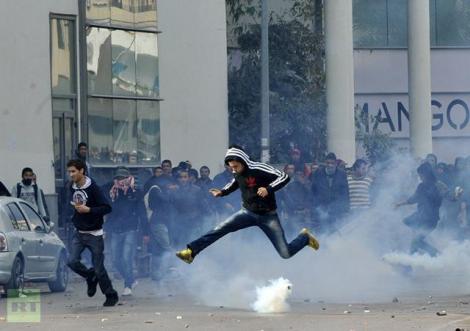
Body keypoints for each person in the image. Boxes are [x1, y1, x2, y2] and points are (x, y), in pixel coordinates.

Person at [175, 145, 319, 264]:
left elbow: (284, 177)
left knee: (285, 253)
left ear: (242, 161)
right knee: (219, 229)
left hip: (268, 216)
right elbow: (234, 182)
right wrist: (222, 192)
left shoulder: (259, 168)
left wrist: (268, 189)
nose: (233, 170)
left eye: (235, 166)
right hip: (247, 213)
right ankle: (191, 252)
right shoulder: (237, 171)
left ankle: (305, 238)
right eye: (231, 167)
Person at [66, 159, 119, 307]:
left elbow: (107, 207)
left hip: (95, 233)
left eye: (73, 171)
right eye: (69, 172)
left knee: (99, 268)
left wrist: (89, 210)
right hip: (79, 232)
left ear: (82, 171)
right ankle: (90, 276)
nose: (71, 175)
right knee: (72, 261)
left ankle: (111, 295)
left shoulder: (94, 188)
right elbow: (71, 204)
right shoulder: (71, 186)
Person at [107, 167, 149, 296]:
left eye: (123, 178)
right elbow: (109, 213)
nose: (121, 181)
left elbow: (142, 213)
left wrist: (146, 232)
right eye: (118, 178)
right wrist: (105, 228)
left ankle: (128, 285)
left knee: (126, 258)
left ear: (129, 178)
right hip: (115, 229)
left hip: (130, 229)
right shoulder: (113, 192)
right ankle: (130, 279)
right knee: (115, 259)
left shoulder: (136, 192)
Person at [395, 162, 442, 257]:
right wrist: (400, 204)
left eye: (421, 175)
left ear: (426, 174)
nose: (420, 177)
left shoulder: (438, 186)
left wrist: (455, 196)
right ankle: (413, 260)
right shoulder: (421, 186)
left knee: (416, 240)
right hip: (420, 217)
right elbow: (414, 199)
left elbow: (449, 195)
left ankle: (436, 254)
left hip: (430, 219)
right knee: (415, 240)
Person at [310, 153, 350, 234]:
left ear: (336, 163)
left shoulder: (342, 174)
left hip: (337, 210)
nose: (330, 165)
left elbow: (345, 193)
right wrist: (313, 208)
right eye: (328, 163)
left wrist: (346, 209)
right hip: (321, 208)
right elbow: (313, 191)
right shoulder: (318, 173)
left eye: (332, 163)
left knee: (336, 232)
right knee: (322, 232)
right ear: (325, 163)